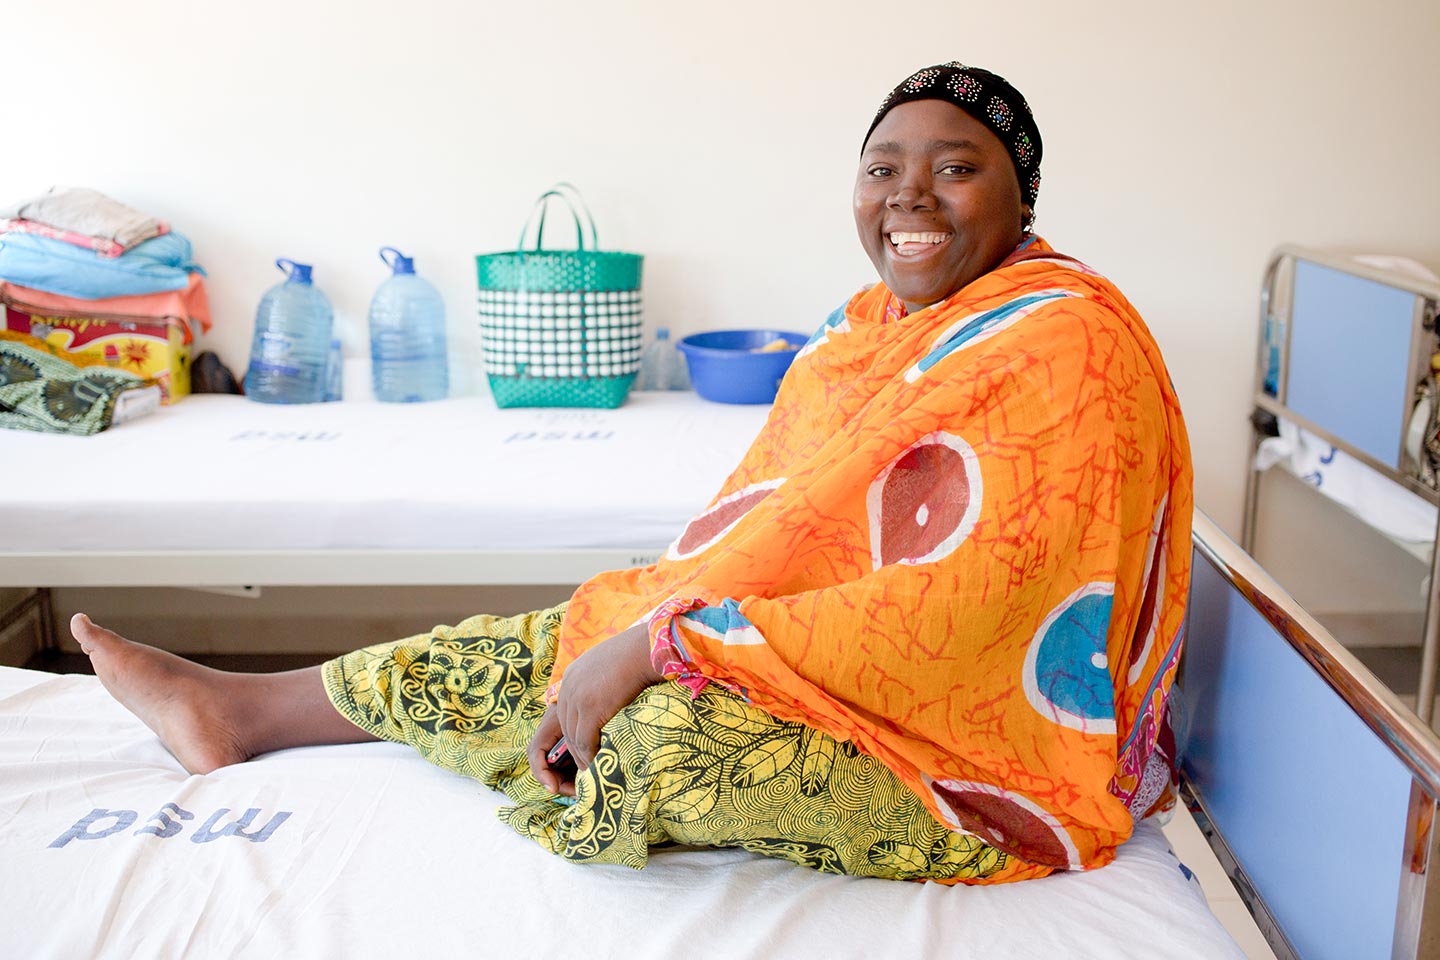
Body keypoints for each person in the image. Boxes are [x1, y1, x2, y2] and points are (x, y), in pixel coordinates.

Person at [72, 62, 1192, 885]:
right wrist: (660, 628)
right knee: (566, 634)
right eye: (882, 168)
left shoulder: (1064, 343)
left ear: (1022, 196)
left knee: (655, 733)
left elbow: (976, 606)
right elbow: (798, 533)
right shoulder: (873, 325)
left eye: (958, 169)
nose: (909, 196)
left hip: (974, 753)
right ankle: (236, 709)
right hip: (832, 667)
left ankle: (580, 707)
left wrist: (675, 647)